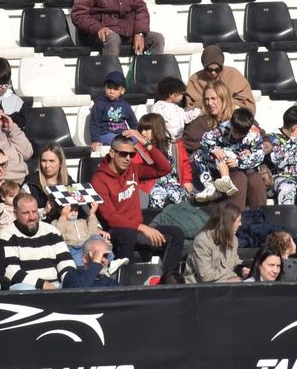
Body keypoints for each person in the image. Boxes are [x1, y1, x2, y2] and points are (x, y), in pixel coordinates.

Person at [89, 132, 186, 280]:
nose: (128, 158)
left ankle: (165, 281)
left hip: (136, 227)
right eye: (123, 154)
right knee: (127, 234)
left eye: (131, 155)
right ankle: (127, 282)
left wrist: (145, 143)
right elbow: (111, 218)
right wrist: (142, 227)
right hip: (116, 231)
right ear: (112, 153)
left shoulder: (133, 169)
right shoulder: (99, 180)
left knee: (176, 233)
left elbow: (164, 168)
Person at [0, 192, 75, 290]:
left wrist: (69, 281)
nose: (32, 217)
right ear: (15, 213)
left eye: (34, 212)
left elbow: (66, 262)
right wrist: (42, 285)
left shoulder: (52, 231)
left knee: (75, 280)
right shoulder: (6, 236)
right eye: (26, 213)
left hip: (56, 286)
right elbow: (10, 271)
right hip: (27, 288)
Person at [192, 106, 268, 212]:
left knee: (256, 181)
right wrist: (214, 149)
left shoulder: (254, 134)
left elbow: (259, 155)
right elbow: (205, 139)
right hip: (225, 167)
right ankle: (235, 220)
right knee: (239, 179)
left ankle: (260, 219)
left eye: (240, 134)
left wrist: (239, 162)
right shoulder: (224, 128)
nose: (236, 136)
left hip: (245, 165)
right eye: (234, 131)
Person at [184, 45, 256, 113]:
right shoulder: (195, 80)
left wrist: (224, 104)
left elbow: (248, 105)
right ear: (204, 66)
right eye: (209, 70)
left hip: (232, 116)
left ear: (221, 67)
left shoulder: (233, 75)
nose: (213, 73)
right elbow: (190, 108)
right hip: (206, 118)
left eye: (217, 69)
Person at [185, 203, 242, 284]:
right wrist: (229, 278)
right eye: (238, 221)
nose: (240, 224)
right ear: (229, 223)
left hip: (224, 285)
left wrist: (242, 269)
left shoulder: (233, 239)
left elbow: (234, 261)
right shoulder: (202, 241)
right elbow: (206, 276)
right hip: (199, 290)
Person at [86, 70, 138, 151]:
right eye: (109, 88)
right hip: (106, 134)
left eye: (116, 89)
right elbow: (94, 124)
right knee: (120, 142)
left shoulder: (125, 105)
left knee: (136, 140)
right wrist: (96, 140)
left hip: (123, 134)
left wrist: (136, 134)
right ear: (105, 87)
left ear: (122, 91)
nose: (111, 92)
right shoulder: (100, 104)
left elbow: (133, 124)